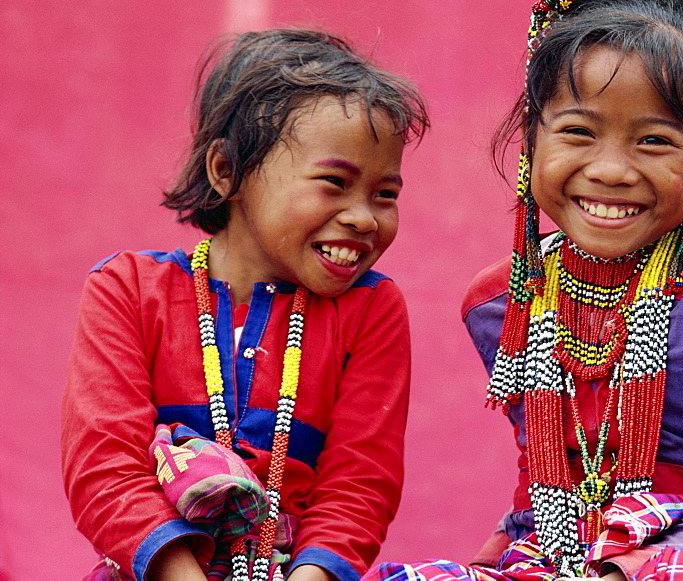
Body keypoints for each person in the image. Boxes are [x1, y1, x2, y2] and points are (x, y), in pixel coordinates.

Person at [369, 0, 683, 581]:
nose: (610, 169)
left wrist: (621, 569)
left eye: (654, 141)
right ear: (532, 142)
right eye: (578, 132)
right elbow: (538, 497)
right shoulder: (507, 299)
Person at [62, 29, 428, 581]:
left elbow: (359, 487)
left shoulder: (371, 309)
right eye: (334, 182)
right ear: (226, 171)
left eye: (386, 194)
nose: (364, 217)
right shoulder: (128, 290)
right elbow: (103, 470)